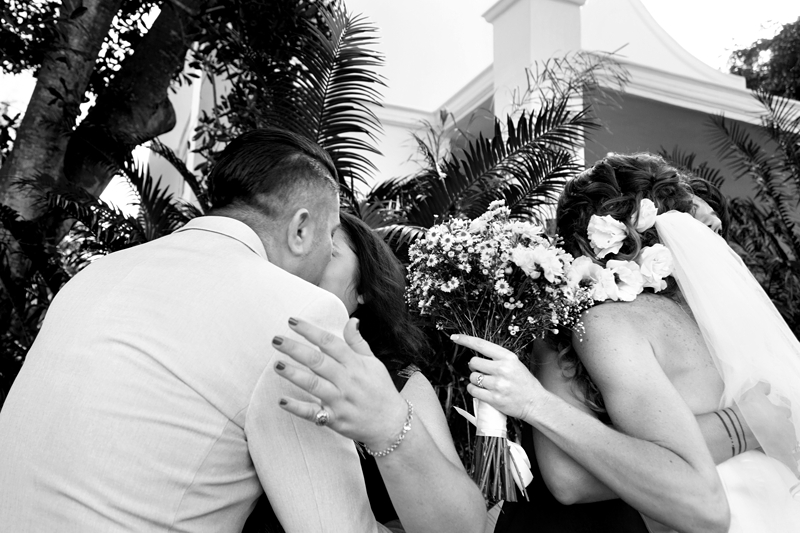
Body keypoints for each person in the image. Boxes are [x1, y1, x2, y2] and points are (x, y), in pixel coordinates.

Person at [0, 129, 392, 532]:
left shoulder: (94, 274)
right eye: (330, 236)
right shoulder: (301, 310)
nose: (330, 252)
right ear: (301, 229)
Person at [453, 153, 800, 532]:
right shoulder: (711, 317)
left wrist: (535, 403)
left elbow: (699, 501)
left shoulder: (616, 323)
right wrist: (739, 427)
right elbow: (572, 480)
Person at [266, 211, 487, 533]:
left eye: (327, 252)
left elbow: (460, 526)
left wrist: (386, 424)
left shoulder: (399, 381)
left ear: (363, 290)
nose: (302, 264)